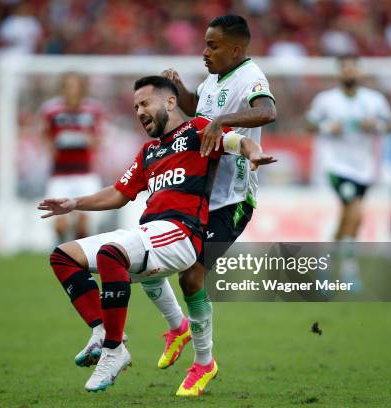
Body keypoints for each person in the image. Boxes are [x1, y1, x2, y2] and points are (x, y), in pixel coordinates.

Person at [39, 76, 275, 394]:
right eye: (135, 106)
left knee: (113, 253)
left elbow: (239, 143)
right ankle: (102, 330)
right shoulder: (149, 151)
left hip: (181, 233)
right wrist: (74, 203)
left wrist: (254, 152)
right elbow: (120, 192)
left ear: (169, 102)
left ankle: (113, 350)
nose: (139, 111)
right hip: (151, 230)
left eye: (145, 103)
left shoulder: (199, 131)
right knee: (63, 256)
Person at [145, 14, 277, 385]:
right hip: (198, 195)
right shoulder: (214, 78)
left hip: (231, 200)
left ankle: (203, 362)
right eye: (204, 44)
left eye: (213, 46)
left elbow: (268, 110)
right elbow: (198, 112)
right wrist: (180, 87)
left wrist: (223, 122)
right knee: (149, 263)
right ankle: (179, 328)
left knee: (191, 278)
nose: (204, 52)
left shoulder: (251, 77)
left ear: (236, 49)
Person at [306, 54, 391, 284]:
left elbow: (389, 125)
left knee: (351, 217)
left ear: (360, 72)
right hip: (335, 165)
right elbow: (310, 123)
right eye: (345, 68)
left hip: (364, 167)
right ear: (339, 72)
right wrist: (326, 127)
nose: (349, 72)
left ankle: (328, 263)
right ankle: (349, 268)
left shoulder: (375, 100)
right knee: (355, 211)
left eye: (353, 68)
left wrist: (377, 125)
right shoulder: (326, 99)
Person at [39, 72, 103, 241]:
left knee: (83, 223)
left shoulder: (92, 110)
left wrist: (86, 139)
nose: (71, 90)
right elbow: (45, 137)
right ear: (63, 89)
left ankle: (79, 259)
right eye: (68, 86)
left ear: (81, 89)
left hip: (85, 173)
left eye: (75, 86)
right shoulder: (51, 111)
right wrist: (52, 145)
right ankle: (62, 253)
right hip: (60, 175)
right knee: (60, 225)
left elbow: (98, 140)